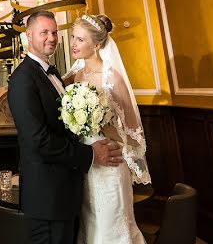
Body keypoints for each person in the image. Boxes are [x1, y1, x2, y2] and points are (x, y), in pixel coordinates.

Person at [7, 10, 123, 244]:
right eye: (44, 32)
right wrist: (90, 153)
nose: (51, 38)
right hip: (47, 196)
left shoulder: (55, 74)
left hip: (66, 190)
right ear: (29, 35)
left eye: (55, 32)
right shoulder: (22, 78)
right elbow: (38, 140)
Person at [65, 13, 151, 244]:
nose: (73, 43)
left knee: (109, 227)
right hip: (86, 164)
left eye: (81, 39)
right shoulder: (74, 76)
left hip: (110, 163)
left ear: (98, 44)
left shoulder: (111, 78)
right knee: (91, 226)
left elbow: (134, 132)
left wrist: (106, 128)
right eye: (73, 37)